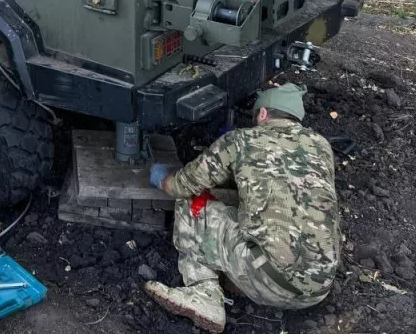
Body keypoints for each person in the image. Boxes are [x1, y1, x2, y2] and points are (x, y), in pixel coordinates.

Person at [145, 83, 340, 333]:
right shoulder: (321, 145)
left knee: (193, 200)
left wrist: (162, 178)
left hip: (271, 285)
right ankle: (239, 276)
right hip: (318, 287)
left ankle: (204, 292)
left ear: (263, 114)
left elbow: (181, 186)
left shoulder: (241, 140)